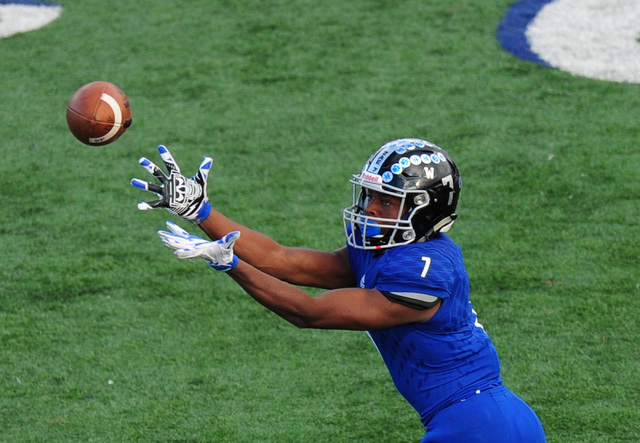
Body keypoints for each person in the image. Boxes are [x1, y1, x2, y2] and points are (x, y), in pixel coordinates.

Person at [131, 138, 546, 442]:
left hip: (479, 425)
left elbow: (308, 313)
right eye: (370, 196)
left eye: (386, 201)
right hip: (488, 419)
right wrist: (200, 211)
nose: (369, 209)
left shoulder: (425, 271)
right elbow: (283, 260)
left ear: (425, 210)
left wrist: (230, 264)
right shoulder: (390, 249)